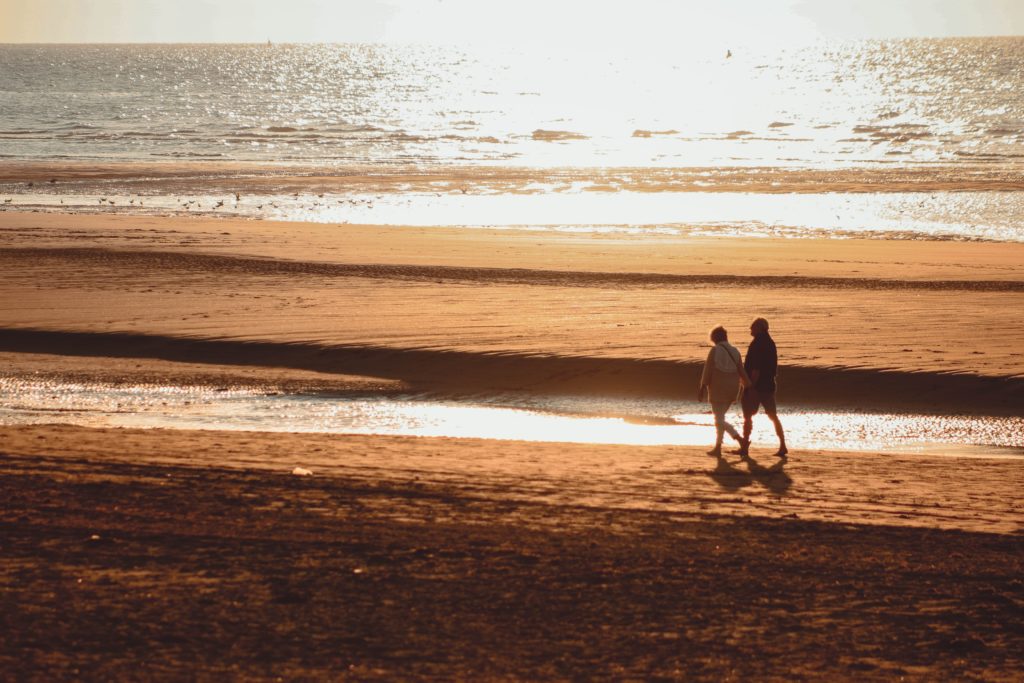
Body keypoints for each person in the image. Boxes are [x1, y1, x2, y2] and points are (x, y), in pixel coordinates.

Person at [697, 325, 750, 457]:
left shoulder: (715, 351)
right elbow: (741, 371)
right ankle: (718, 447)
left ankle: (740, 440)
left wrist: (702, 388)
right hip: (732, 390)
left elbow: (707, 370)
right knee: (720, 418)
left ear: (714, 338)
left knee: (719, 420)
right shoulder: (735, 351)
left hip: (717, 389)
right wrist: (747, 385)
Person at [739, 317, 788, 458]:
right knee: (773, 415)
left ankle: (744, 447)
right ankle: (783, 445)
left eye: (753, 327)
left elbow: (756, 369)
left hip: (757, 386)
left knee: (748, 416)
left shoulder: (757, 344)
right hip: (769, 385)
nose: (750, 329)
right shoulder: (771, 343)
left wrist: (750, 386)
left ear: (760, 328)